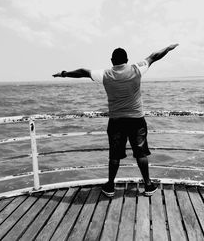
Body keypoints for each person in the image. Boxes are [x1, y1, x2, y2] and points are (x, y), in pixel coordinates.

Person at [53, 44, 178, 197]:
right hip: (137, 120)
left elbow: (83, 72)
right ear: (127, 60)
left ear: (112, 61)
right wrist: (168, 48)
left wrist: (64, 74)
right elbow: (153, 56)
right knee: (140, 154)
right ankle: (148, 185)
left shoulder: (105, 74)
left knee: (114, 155)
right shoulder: (136, 69)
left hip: (116, 122)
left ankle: (110, 186)